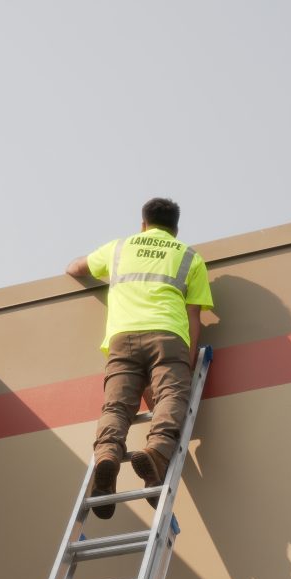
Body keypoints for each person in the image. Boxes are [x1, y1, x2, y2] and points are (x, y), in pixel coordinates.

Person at [66, 198, 214, 519]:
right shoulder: (190, 257)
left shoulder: (120, 248)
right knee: (171, 396)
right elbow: (193, 318)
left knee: (116, 407)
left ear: (143, 223)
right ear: (175, 229)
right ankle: (157, 452)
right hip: (168, 336)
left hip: (122, 339)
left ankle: (107, 455)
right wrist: (186, 363)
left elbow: (75, 267)